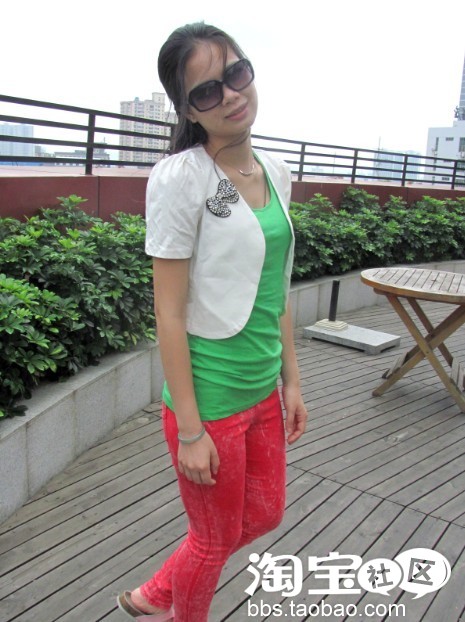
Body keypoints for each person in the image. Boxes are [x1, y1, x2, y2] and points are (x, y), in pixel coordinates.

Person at [117, 21, 308, 622]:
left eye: (236, 73)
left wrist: (292, 380)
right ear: (188, 110)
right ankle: (173, 608)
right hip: (211, 398)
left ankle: (155, 593)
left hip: (262, 388)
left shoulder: (274, 172)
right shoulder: (181, 178)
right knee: (211, 540)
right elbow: (168, 313)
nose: (229, 94)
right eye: (206, 91)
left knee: (266, 515)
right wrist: (191, 431)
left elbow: (275, 289)